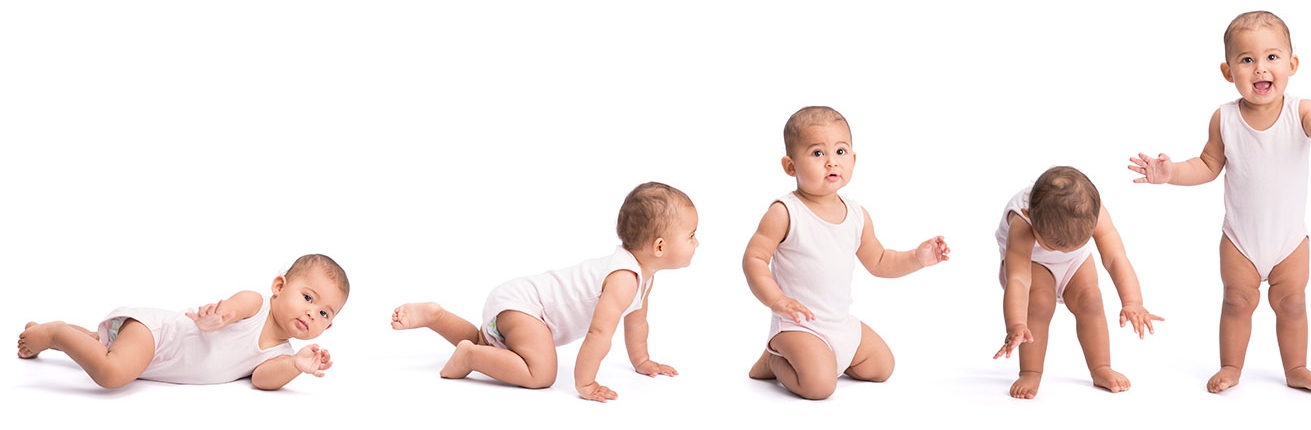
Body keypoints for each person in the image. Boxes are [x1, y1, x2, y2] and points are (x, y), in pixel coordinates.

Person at [1128, 10, 1311, 393]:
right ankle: (1231, 366)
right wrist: (1171, 173)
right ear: (1228, 71)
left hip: (1289, 242)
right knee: (1235, 301)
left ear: (1291, 64)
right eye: (1247, 60)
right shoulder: (1224, 119)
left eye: (1272, 58)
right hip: (1240, 240)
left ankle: (1296, 367)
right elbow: (1207, 165)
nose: (1260, 69)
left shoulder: (1302, 111)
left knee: (1293, 303)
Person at [391, 181, 698, 403]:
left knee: (490, 343)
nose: (696, 244)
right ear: (659, 246)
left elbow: (637, 323)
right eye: (691, 236)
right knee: (541, 374)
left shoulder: (642, 277)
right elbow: (599, 333)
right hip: (526, 308)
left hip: (517, 304)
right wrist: (586, 383)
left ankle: (437, 317)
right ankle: (470, 357)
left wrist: (642, 361)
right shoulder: (623, 278)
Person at [743, 106, 950, 400]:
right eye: (817, 153)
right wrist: (777, 301)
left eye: (840, 152)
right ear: (791, 166)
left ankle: (825, 359)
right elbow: (754, 259)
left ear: (853, 159)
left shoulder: (856, 214)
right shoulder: (785, 212)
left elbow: (879, 261)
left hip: (840, 323)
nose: (831, 163)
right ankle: (776, 359)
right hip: (798, 325)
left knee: (882, 367)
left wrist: (918, 257)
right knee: (819, 387)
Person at [17, 254, 350, 390]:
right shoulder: (257, 303)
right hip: (158, 337)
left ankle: (55, 331)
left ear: (328, 327)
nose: (311, 313)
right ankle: (56, 333)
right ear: (279, 287)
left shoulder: (280, 352)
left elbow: (262, 380)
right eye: (308, 298)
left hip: (152, 360)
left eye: (324, 313)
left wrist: (295, 364)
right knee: (111, 373)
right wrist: (215, 320)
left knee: (101, 344)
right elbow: (229, 311)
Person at [992, 166, 1162, 399]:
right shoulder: (1022, 221)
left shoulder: (1093, 212)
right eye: (1056, 246)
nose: (1061, 251)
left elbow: (1115, 258)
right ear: (1030, 216)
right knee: (1040, 302)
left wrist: (1133, 301)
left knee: (1091, 299)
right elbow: (1019, 279)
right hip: (1033, 261)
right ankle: (1030, 371)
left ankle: (1101, 367)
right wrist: (1016, 324)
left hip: (1076, 260)